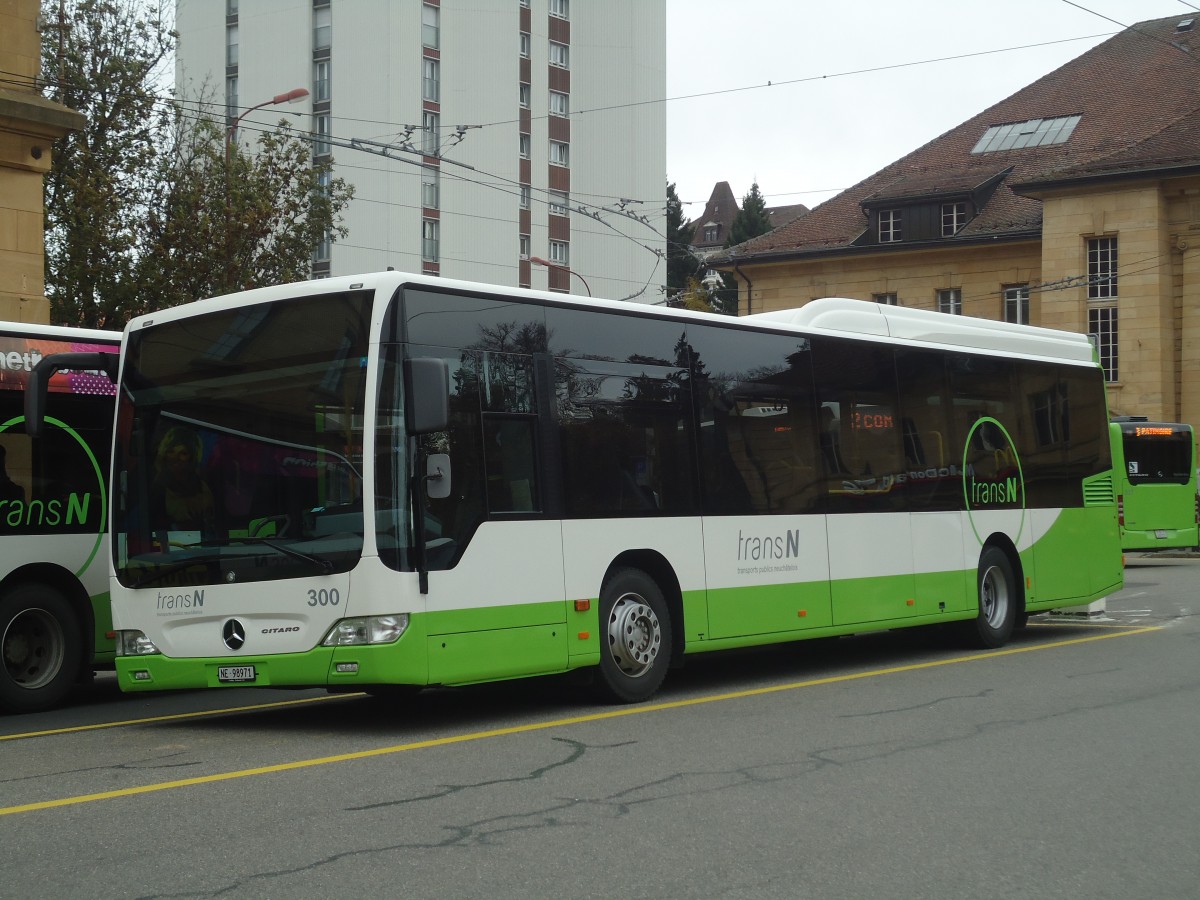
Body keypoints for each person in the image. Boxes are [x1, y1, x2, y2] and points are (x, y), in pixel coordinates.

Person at [153, 426, 216, 532]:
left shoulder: (202, 488)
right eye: (171, 452)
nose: (175, 458)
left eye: (183, 453)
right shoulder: (157, 488)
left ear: (193, 457)